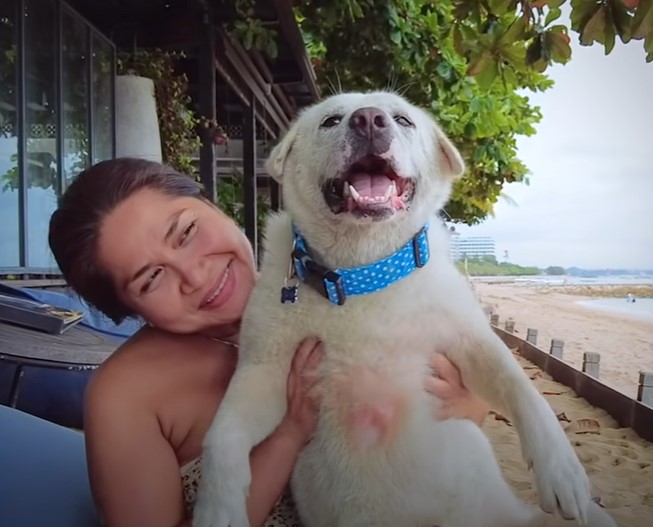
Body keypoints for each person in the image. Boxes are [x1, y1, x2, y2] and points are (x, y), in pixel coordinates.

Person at [48, 158, 489, 527]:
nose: (195, 275)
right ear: (131, 310)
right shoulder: (127, 395)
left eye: (186, 232)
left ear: (211, 204)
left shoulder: (338, 282)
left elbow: (457, 415)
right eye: (151, 279)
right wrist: (288, 434)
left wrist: (466, 408)